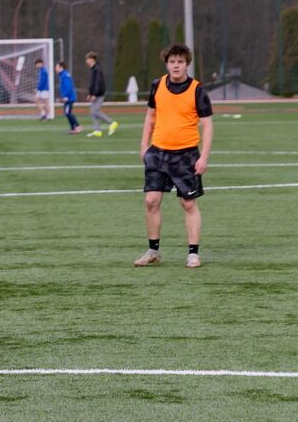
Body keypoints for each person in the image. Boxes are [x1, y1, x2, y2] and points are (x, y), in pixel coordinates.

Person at [134, 44, 213, 269]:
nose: (176, 66)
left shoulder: (197, 89)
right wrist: (144, 145)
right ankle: (153, 251)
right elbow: (150, 116)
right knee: (151, 201)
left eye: (180, 62)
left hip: (186, 155)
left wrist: (204, 157)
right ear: (166, 64)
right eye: (172, 62)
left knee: (188, 203)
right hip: (158, 153)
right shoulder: (157, 85)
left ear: (187, 64)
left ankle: (193, 254)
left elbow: (207, 126)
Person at [84, 52, 118, 137]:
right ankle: (97, 130)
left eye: (87, 59)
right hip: (95, 93)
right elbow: (92, 83)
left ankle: (112, 123)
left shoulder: (97, 69)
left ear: (92, 59)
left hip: (99, 94)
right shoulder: (93, 69)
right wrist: (90, 93)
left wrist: (94, 94)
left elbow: (98, 83)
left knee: (95, 111)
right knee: (93, 112)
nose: (86, 61)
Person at [56, 61, 81, 134]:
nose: (55, 69)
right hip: (68, 97)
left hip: (69, 98)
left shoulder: (65, 75)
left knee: (68, 112)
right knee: (67, 113)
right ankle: (73, 129)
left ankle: (78, 126)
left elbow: (68, 86)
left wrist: (65, 96)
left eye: (57, 67)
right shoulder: (63, 75)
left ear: (61, 67)